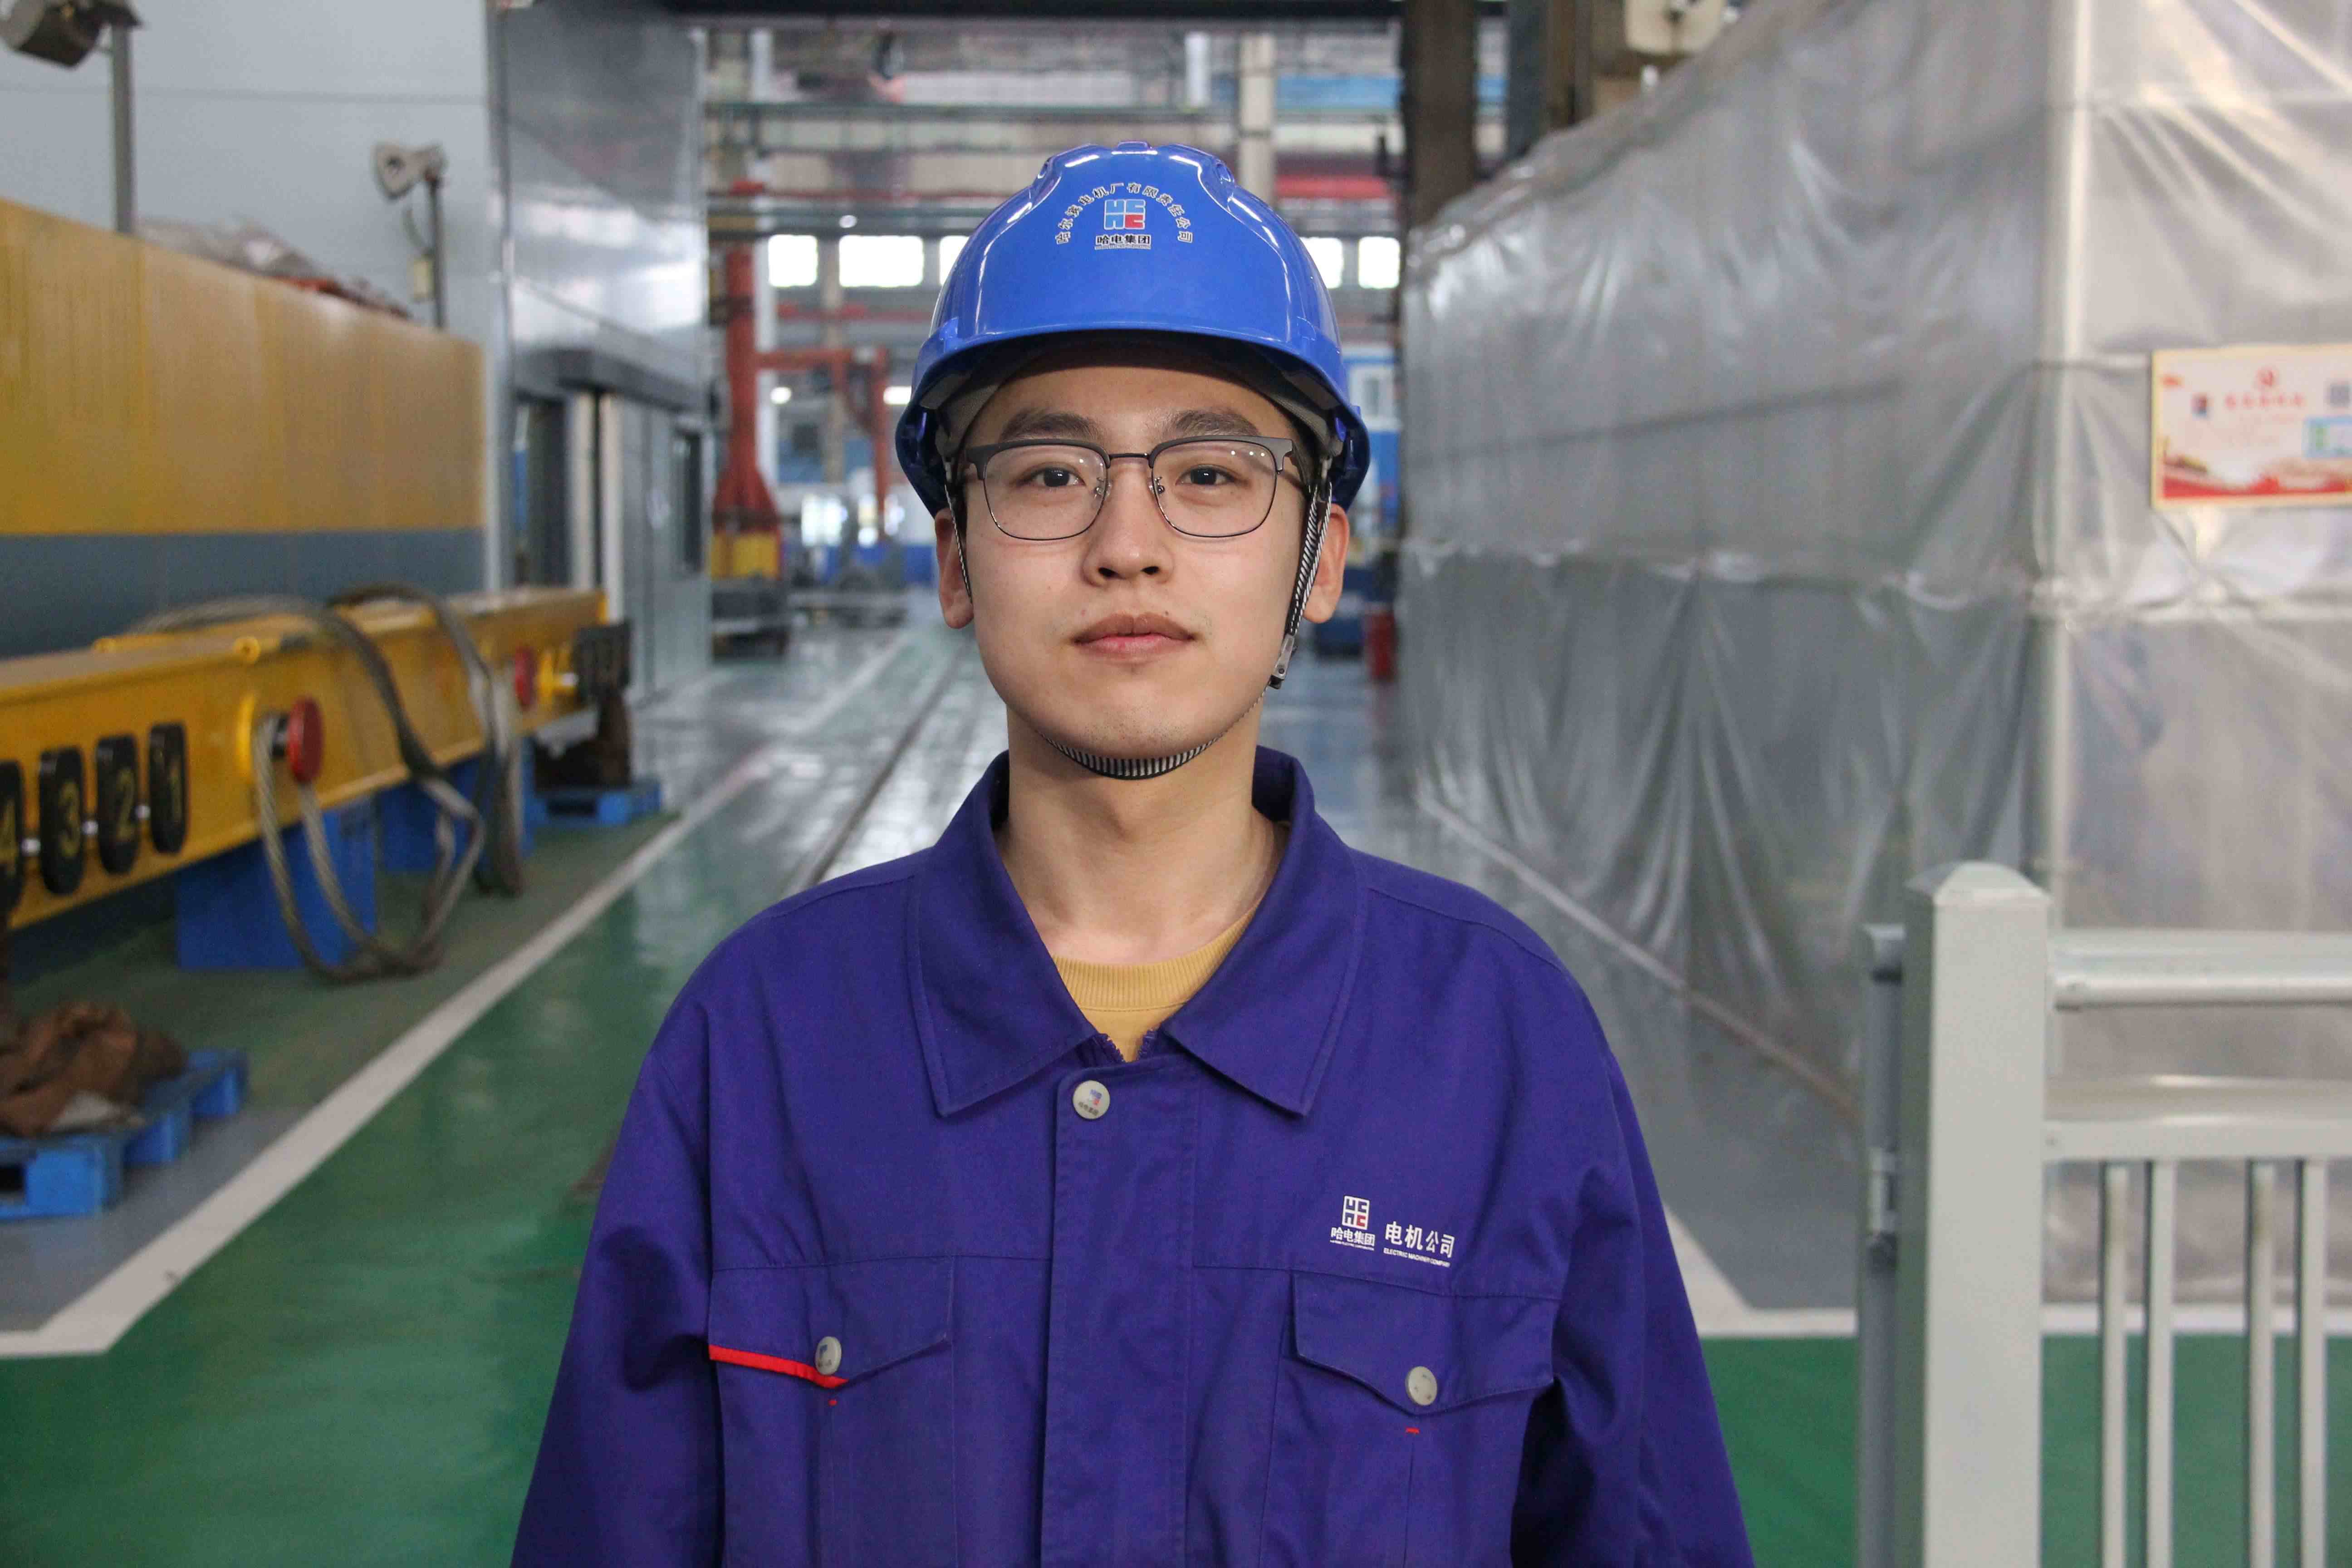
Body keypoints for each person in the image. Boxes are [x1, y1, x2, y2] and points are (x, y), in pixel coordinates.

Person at [514, 141, 1752, 1567]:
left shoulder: (1498, 1048)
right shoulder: (764, 1045)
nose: (1128, 544)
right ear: (957, 559)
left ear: (1320, 559)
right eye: (1049, 473)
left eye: (1211, 473)